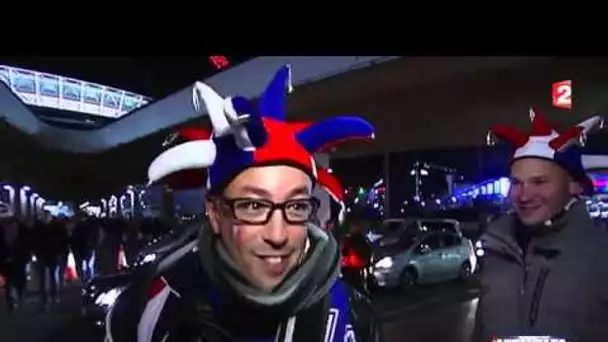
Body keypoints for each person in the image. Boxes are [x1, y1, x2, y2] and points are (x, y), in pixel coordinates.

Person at [105, 65, 382, 342]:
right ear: (214, 213)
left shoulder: (355, 317)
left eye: (296, 206)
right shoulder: (144, 312)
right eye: (253, 206)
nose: (278, 235)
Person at [472, 107, 608, 342]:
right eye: (517, 183)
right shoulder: (496, 251)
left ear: (574, 185)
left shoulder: (600, 256)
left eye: (539, 181)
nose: (524, 196)